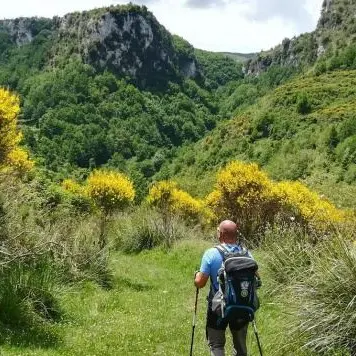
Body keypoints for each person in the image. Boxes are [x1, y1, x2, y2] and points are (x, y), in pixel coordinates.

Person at [194, 220, 257, 356]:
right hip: (242, 306)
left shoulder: (211, 253)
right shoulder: (247, 254)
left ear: (221, 234)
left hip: (218, 308)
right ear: (236, 235)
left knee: (216, 344)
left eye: (218, 231)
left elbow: (200, 283)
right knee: (240, 346)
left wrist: (196, 276)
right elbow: (257, 279)